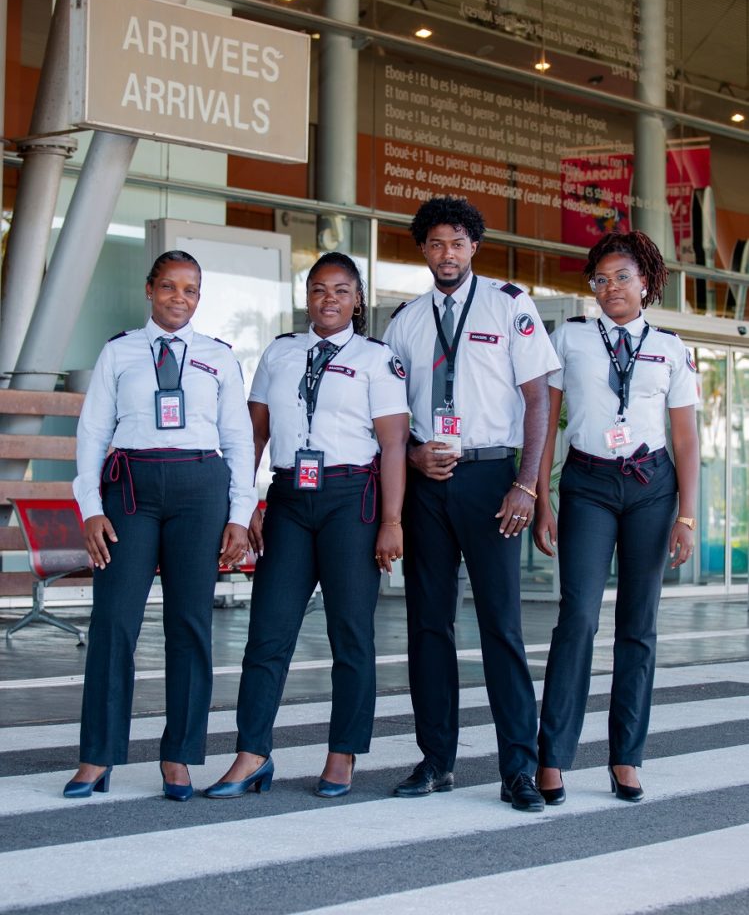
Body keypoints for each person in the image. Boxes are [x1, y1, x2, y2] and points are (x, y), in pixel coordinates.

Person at [204, 252, 409, 800]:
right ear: (307, 296)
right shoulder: (280, 351)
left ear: (357, 299)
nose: (329, 300)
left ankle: (341, 755)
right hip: (291, 498)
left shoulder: (376, 358)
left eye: (341, 290)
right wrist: (243, 505)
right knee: (268, 633)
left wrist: (392, 521)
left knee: (350, 634)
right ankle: (252, 754)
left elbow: (393, 445)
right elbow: (253, 436)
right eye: (319, 290)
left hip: (353, 502)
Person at [383, 196, 559, 812]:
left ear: (474, 246)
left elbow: (538, 403)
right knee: (428, 625)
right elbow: (388, 418)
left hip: (492, 481)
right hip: (430, 484)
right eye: (435, 244)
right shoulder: (404, 321)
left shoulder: (510, 307)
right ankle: (436, 760)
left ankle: (518, 768)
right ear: (423, 251)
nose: (447, 254)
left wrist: (528, 485)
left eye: (457, 242)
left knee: (500, 627)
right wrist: (410, 458)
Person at [64, 250, 255, 801]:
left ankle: (179, 757)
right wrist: (91, 507)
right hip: (130, 489)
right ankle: (97, 756)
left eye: (190, 290)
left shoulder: (218, 357)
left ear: (199, 297)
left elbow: (239, 439)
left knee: (190, 625)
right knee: (114, 622)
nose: (179, 297)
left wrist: (240, 514)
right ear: (149, 289)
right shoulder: (119, 351)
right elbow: (93, 432)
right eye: (169, 286)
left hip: (200, 489)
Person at [534, 230, 699, 804]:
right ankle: (552, 756)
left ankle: (626, 756)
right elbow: (544, 424)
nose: (609, 289)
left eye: (621, 277)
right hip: (589, 483)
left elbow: (686, 439)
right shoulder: (571, 339)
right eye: (600, 280)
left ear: (647, 282)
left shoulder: (671, 348)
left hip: (652, 487)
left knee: (639, 625)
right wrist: (540, 499)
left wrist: (688, 517)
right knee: (577, 616)